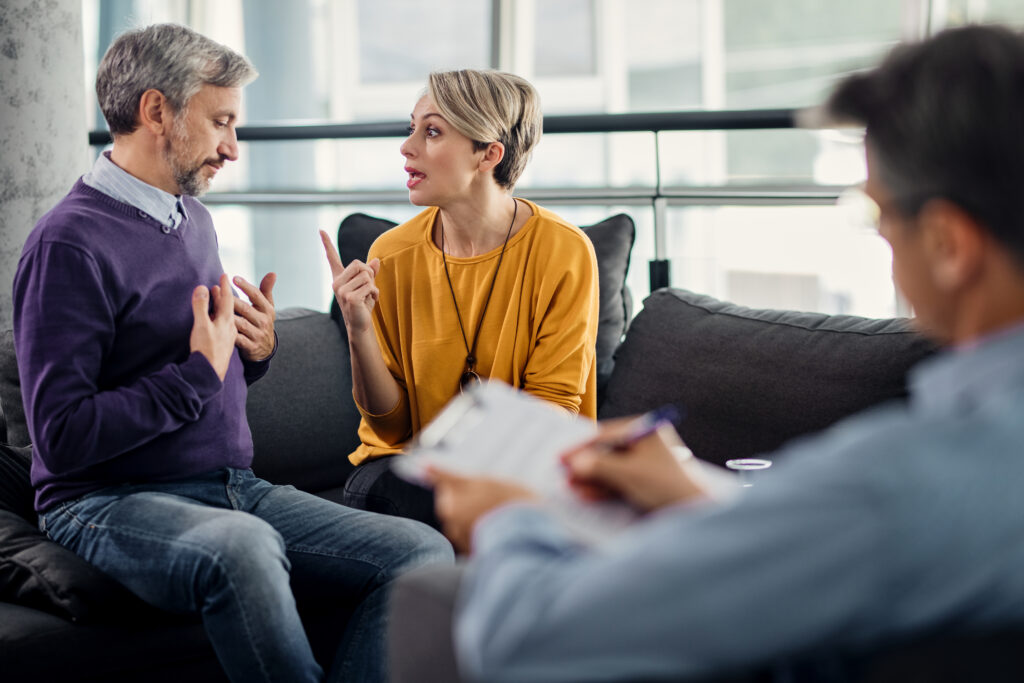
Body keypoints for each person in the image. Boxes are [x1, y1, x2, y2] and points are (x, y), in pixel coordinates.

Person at [406, 24, 1024, 682]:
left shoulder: (898, 480)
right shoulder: (944, 477)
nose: (884, 245)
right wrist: (694, 489)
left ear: (949, 245)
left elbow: (524, 638)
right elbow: (844, 544)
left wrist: (510, 518)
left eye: (878, 216)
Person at [12, 23, 451, 683]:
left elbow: (200, 365)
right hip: (107, 501)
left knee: (423, 551)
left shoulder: (192, 219)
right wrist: (196, 373)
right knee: (244, 548)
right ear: (157, 111)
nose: (233, 148)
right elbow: (64, 437)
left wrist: (252, 351)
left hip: (231, 488)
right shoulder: (66, 246)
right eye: (220, 122)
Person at [320, 69, 600, 528]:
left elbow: (553, 408)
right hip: (402, 471)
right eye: (411, 128)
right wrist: (359, 329)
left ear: (489, 153)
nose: (407, 147)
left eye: (431, 131)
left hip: (526, 469)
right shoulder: (390, 253)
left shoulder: (563, 251)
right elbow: (390, 429)